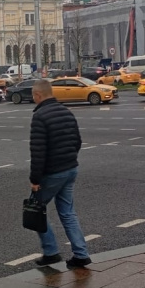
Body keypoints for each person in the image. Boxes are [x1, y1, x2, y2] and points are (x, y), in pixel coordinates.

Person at [28, 79, 91, 268]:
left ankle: (51, 251)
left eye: (33, 95)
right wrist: (69, 160)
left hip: (53, 173)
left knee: (35, 209)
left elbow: (38, 151)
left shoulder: (40, 116)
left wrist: (35, 179)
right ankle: (81, 254)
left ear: (38, 95)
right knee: (68, 213)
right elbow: (77, 141)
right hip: (70, 168)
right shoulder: (66, 111)